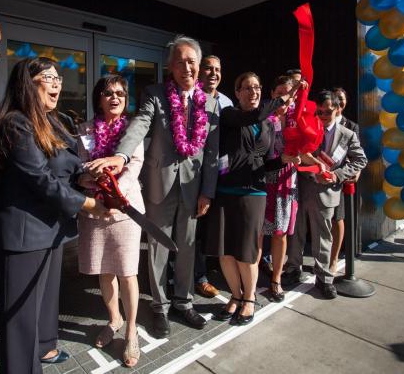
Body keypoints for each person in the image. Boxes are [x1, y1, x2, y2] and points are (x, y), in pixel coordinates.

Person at [86, 35, 219, 338]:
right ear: (170, 66)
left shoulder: (210, 102)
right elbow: (140, 124)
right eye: (180, 61)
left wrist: (207, 190)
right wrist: (121, 155)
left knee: (187, 246)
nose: (187, 67)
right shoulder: (155, 94)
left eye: (192, 61)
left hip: (193, 186)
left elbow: (212, 151)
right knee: (158, 245)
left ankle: (183, 302)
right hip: (160, 183)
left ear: (198, 66)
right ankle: (159, 307)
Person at [0, 57, 113, 373]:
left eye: (59, 77)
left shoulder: (53, 121)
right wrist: (88, 205)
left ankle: (45, 348)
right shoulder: (17, 123)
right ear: (28, 83)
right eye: (49, 77)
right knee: (21, 316)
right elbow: (40, 179)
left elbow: (66, 168)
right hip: (24, 232)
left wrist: (87, 178)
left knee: (44, 303)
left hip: (50, 228)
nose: (57, 83)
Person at [204, 72, 298, 324]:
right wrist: (281, 100)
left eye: (257, 87)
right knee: (225, 251)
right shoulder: (230, 115)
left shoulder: (268, 125)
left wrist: (283, 160)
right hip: (226, 191)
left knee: (247, 251)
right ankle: (235, 295)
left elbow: (266, 164)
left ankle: (249, 299)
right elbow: (252, 116)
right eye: (247, 88)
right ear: (237, 93)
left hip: (254, 192)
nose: (253, 92)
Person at [76, 75, 143, 367]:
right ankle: (114, 319)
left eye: (120, 93)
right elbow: (78, 169)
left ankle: (131, 331)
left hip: (124, 210)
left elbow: (134, 166)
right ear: (98, 99)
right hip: (94, 211)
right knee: (105, 271)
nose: (115, 98)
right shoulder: (84, 130)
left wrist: (115, 196)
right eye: (108, 93)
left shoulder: (132, 129)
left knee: (127, 272)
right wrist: (91, 180)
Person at [285, 90, 367, 299]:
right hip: (302, 187)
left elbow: (360, 160)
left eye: (328, 112)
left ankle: (324, 278)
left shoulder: (347, 134)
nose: (322, 115)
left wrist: (337, 174)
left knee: (323, 236)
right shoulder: (307, 126)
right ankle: (293, 268)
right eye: (319, 111)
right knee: (297, 231)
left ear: (338, 109)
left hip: (327, 192)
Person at [194, 55, 233, 298]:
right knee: (195, 229)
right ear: (199, 71)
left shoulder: (227, 102)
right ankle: (198, 276)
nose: (213, 73)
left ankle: (210, 269)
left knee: (213, 226)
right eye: (208, 68)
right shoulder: (191, 99)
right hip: (194, 175)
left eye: (217, 69)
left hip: (222, 173)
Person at [262, 75, 301, 302]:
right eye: (280, 95)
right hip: (264, 184)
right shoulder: (265, 119)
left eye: (290, 96)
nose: (286, 101)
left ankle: (276, 279)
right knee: (259, 234)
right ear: (273, 96)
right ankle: (253, 276)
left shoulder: (298, 121)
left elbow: (306, 152)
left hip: (287, 185)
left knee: (280, 234)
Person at [330, 87, 361, 274]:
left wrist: (354, 171)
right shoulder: (321, 121)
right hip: (322, 179)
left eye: (341, 99)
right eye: (336, 99)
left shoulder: (351, 127)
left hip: (341, 180)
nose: (339, 102)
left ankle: (334, 259)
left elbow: (358, 156)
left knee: (337, 219)